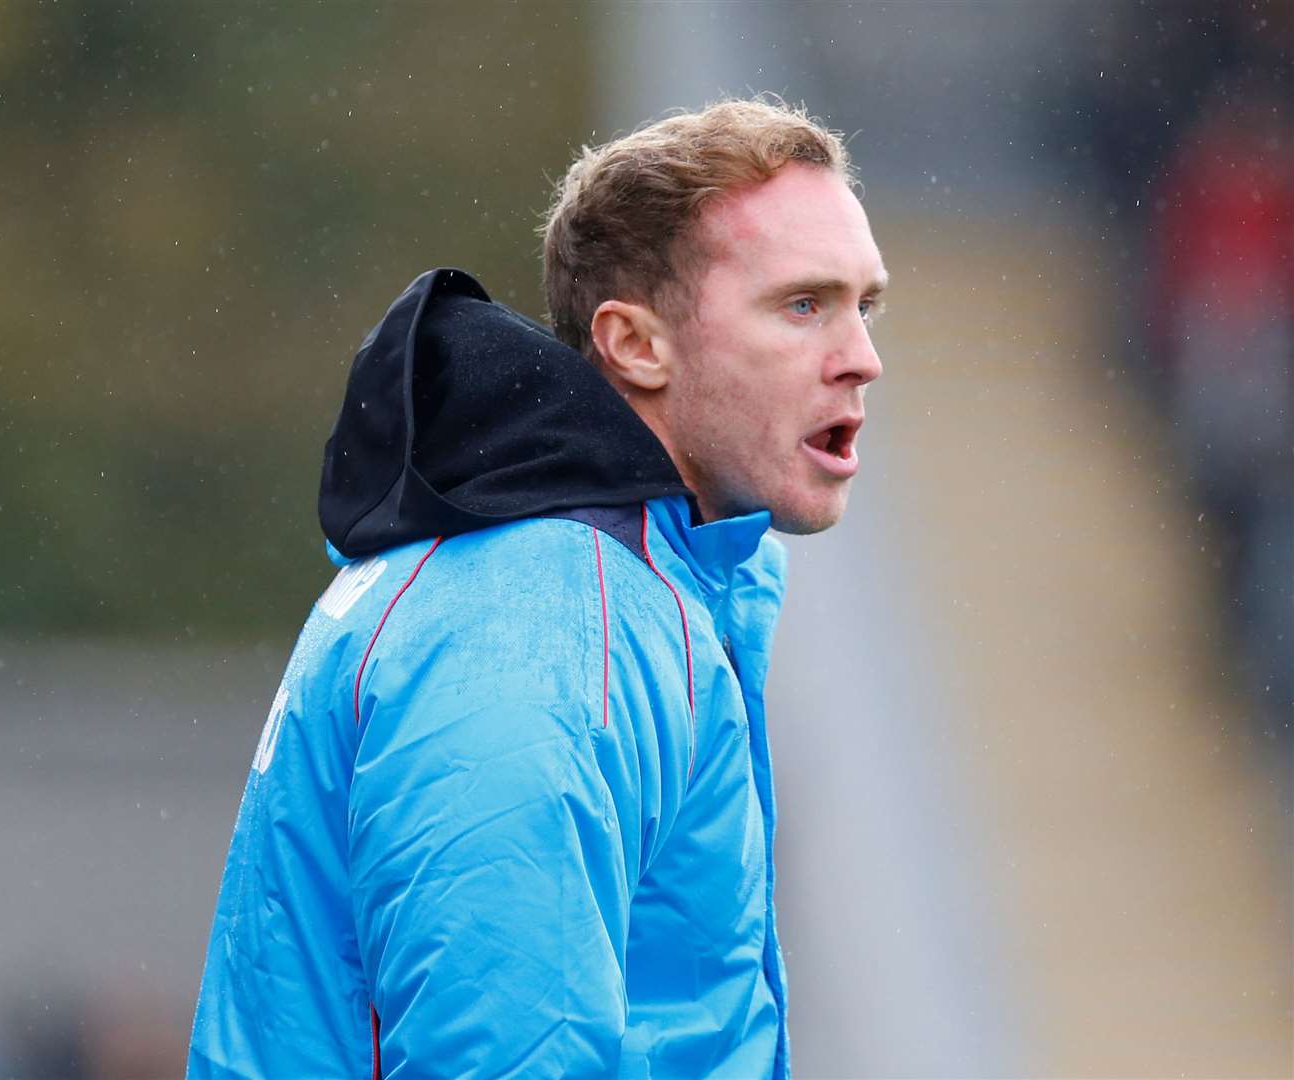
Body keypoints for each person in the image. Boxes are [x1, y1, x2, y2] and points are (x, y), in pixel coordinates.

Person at [188, 96, 887, 1079]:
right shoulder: (539, 629)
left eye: (866, 305)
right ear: (636, 344)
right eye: (802, 304)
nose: (860, 357)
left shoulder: (616, 587)